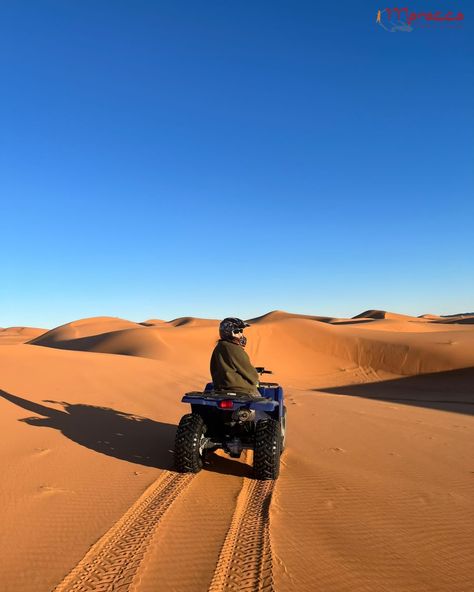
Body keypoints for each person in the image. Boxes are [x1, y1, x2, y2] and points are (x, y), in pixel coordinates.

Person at [210, 317, 260, 397]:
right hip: (241, 389)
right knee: (265, 403)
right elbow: (248, 371)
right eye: (236, 331)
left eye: (241, 331)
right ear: (227, 333)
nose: (240, 334)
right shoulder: (234, 348)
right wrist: (255, 379)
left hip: (220, 388)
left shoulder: (219, 347)